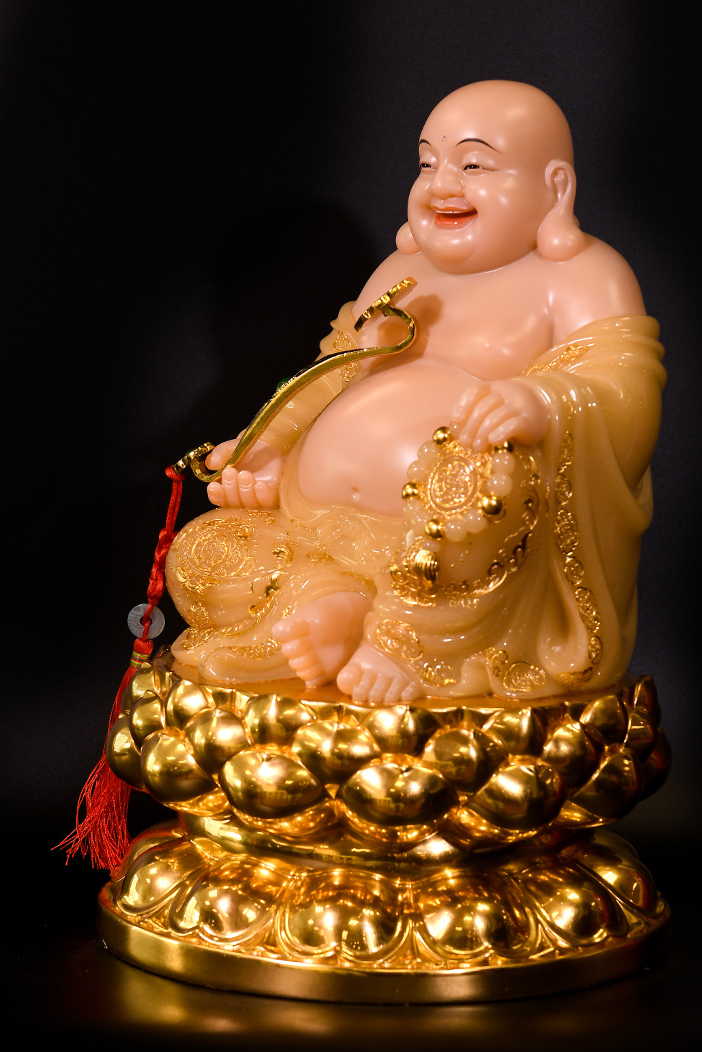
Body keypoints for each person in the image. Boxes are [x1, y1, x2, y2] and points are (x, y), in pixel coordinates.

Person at [165, 80, 665, 705]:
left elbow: (624, 393)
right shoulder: (400, 273)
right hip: (316, 526)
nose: (442, 184)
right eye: (428, 163)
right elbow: (332, 374)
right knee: (201, 552)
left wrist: (545, 402)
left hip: (453, 542)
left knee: (485, 484)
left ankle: (406, 638)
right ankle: (332, 602)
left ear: (555, 187)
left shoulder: (580, 277)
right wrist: (270, 445)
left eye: (473, 165)